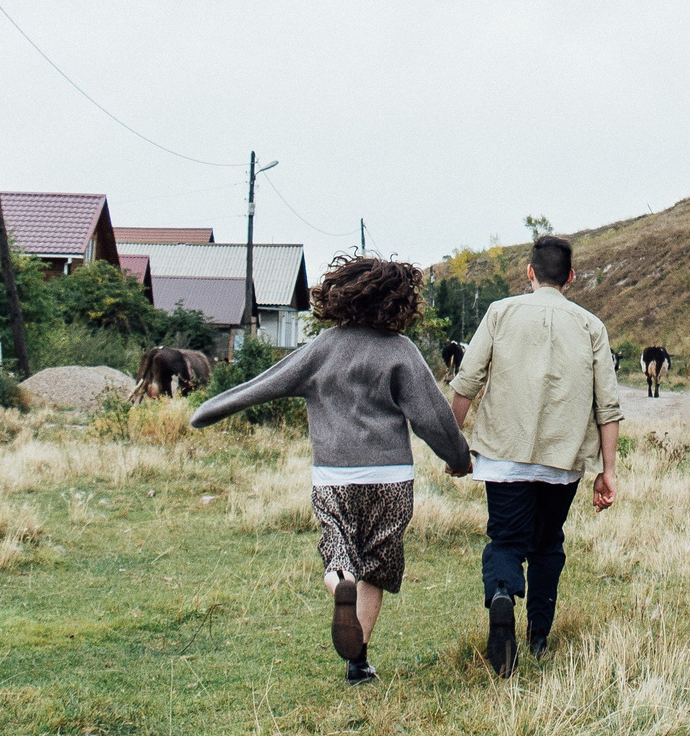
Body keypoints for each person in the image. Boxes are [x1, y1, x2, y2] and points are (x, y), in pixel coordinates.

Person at [190, 255, 471, 684]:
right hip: (390, 477)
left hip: (335, 476)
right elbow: (432, 415)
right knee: (377, 564)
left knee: (339, 550)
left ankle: (339, 581)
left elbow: (265, 384)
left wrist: (209, 410)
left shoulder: (323, 348)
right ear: (399, 301)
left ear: (342, 292)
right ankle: (358, 663)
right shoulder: (401, 351)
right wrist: (459, 458)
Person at [448, 232, 622, 676]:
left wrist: (453, 445)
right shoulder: (590, 326)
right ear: (571, 277)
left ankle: (503, 594)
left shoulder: (500, 313)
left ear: (530, 273)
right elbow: (608, 406)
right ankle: (538, 638)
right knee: (547, 545)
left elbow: (467, 381)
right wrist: (608, 471)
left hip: (503, 457)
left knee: (506, 540)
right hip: (561, 465)